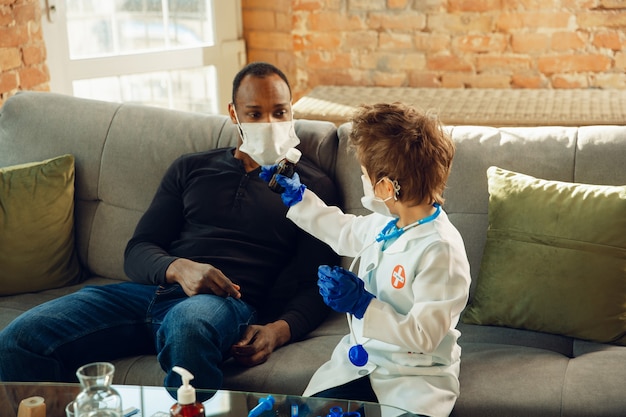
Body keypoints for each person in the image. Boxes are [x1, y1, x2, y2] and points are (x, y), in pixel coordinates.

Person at [0, 62, 340, 393]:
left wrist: (278, 331)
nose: (269, 123)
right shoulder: (191, 168)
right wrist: (179, 269)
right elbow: (138, 251)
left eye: (280, 113)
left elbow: (317, 282)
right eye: (254, 114)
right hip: (146, 295)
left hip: (222, 305)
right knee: (20, 340)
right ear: (234, 114)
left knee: (188, 328)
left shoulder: (310, 187)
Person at [262, 102, 471, 417]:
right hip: (359, 363)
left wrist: (363, 305)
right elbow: (344, 231)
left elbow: (424, 336)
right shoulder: (387, 222)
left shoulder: (441, 250)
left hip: (413, 376)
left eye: (364, 174)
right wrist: (298, 197)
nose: (363, 179)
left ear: (386, 187)